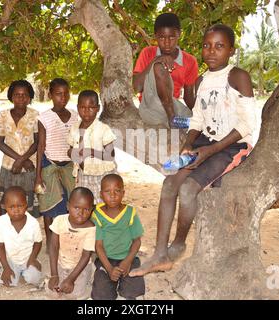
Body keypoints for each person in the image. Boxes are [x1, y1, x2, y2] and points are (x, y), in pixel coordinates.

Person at [130, 24, 257, 277]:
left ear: (231, 50)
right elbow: (197, 118)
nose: (211, 51)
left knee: (188, 189)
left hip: (231, 146)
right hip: (204, 142)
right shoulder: (201, 80)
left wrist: (210, 151)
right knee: (169, 184)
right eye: (207, 45)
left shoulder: (237, 77)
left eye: (219, 46)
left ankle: (178, 244)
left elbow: (248, 124)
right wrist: (189, 143)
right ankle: (159, 255)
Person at [133, 13, 198, 128]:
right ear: (155, 36)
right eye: (162, 38)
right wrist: (155, 60)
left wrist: (199, 115)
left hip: (174, 106)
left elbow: (188, 97)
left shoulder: (190, 61)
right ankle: (172, 119)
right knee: (159, 67)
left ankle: (174, 120)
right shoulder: (148, 53)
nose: (167, 43)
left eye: (172, 37)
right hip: (151, 108)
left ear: (179, 34)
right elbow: (137, 87)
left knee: (198, 124)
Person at [35, 78, 78, 251]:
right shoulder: (44, 117)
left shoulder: (75, 116)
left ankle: (68, 242)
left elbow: (77, 141)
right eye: (58, 94)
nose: (63, 97)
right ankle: (50, 244)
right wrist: (38, 176)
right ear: (51, 95)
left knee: (71, 204)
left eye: (66, 93)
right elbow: (40, 147)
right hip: (49, 165)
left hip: (69, 166)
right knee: (48, 207)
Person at [91, 174, 145, 300]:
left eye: (117, 191)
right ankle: (110, 277)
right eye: (107, 191)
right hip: (106, 259)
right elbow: (98, 245)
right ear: (100, 194)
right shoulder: (97, 215)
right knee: (102, 295)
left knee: (132, 291)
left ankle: (123, 285)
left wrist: (127, 262)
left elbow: (136, 241)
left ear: (123, 193)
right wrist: (109, 269)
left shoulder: (130, 212)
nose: (113, 195)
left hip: (128, 257)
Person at [0, 80, 39, 217]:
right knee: (8, 205)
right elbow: (0, 143)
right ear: (11, 97)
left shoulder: (35, 115)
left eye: (25, 94)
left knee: (27, 207)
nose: (21, 98)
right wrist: (20, 160)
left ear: (30, 97)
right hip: (9, 167)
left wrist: (23, 160)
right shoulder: (2, 115)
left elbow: (37, 142)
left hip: (30, 167)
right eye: (17, 94)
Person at [67, 90, 117, 204]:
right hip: (82, 175)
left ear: (98, 108)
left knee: (102, 205)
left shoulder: (103, 129)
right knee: (86, 204)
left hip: (102, 175)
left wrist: (91, 152)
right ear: (77, 107)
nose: (86, 111)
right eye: (82, 107)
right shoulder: (74, 128)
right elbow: (70, 149)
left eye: (91, 107)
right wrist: (72, 153)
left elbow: (110, 155)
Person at [47, 187, 96, 300]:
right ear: (68, 206)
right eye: (76, 207)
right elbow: (53, 247)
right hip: (61, 263)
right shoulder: (59, 220)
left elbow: (85, 256)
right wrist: (54, 274)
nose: (81, 213)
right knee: (52, 292)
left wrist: (71, 279)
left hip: (80, 267)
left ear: (92, 210)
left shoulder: (90, 228)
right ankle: (59, 277)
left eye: (86, 209)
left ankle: (89, 273)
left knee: (73, 294)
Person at [0, 186, 43, 287]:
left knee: (33, 279)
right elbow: (0, 246)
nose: (16, 210)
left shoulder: (33, 223)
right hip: (10, 260)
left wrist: (32, 259)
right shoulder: (0, 222)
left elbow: (38, 242)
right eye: (11, 207)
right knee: (10, 282)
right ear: (5, 207)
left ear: (26, 205)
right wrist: (6, 267)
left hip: (27, 258)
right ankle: (3, 269)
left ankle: (34, 264)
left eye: (20, 206)